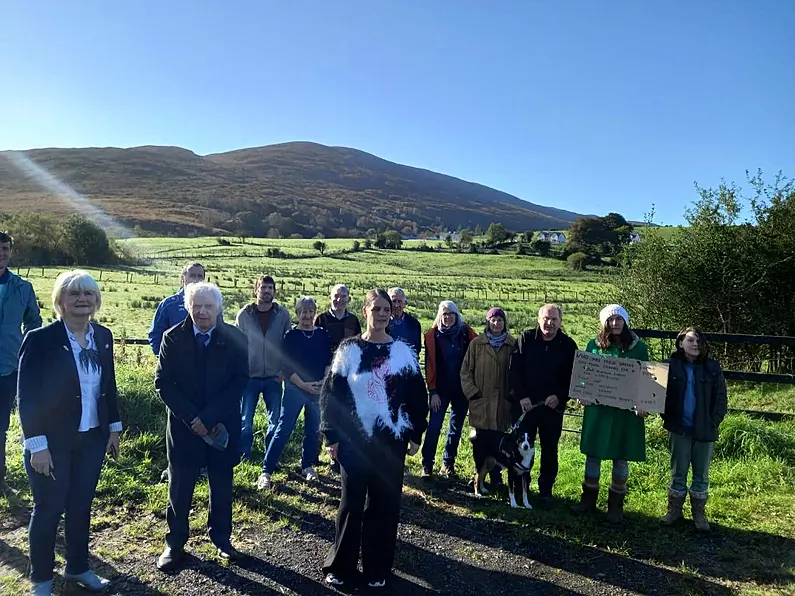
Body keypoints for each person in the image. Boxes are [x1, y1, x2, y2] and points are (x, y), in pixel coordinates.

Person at [17, 270, 121, 595]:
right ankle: (42, 581)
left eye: (88, 294)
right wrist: (37, 445)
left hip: (91, 439)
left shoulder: (102, 336)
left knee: (81, 506)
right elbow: (28, 396)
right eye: (74, 294)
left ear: (96, 300)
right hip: (51, 442)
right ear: (60, 301)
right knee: (48, 510)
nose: (82, 300)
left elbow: (109, 387)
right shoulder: (41, 339)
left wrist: (114, 429)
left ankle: (78, 568)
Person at [320, 289, 428, 589]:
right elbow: (331, 395)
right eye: (375, 309)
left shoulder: (402, 352)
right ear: (365, 311)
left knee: (384, 506)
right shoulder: (349, 349)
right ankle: (340, 566)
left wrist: (416, 431)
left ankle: (377, 568)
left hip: (390, 444)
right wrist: (330, 435)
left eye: (386, 310)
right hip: (353, 443)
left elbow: (418, 398)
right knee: (351, 505)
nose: (381, 314)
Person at [154, 282, 249, 572]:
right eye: (197, 305)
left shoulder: (235, 337)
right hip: (184, 428)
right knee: (180, 486)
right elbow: (163, 383)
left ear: (219, 308)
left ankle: (221, 539)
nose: (203, 312)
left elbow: (240, 382)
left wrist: (207, 419)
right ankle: (175, 543)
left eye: (208, 306)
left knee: (221, 484)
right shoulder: (172, 338)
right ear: (188, 307)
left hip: (221, 425)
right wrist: (192, 418)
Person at [574, 304, 649, 524]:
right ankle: (588, 500)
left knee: (621, 456)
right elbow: (583, 373)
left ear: (625, 321)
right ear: (604, 322)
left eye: (619, 319)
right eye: (610, 320)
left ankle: (615, 506)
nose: (615, 323)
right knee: (593, 455)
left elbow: (647, 378)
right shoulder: (593, 345)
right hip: (599, 410)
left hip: (625, 412)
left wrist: (645, 403)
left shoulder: (638, 348)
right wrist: (582, 392)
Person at [258, 296, 331, 489]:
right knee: (283, 430)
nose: (307, 315)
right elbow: (286, 366)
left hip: (317, 389)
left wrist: (323, 382)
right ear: (297, 313)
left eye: (310, 311)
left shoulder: (323, 335)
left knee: (312, 430)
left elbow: (327, 361)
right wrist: (303, 385)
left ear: (315, 313)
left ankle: (307, 466)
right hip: (295, 389)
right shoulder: (291, 337)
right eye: (303, 311)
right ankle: (266, 471)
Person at [659, 328, 727, 531]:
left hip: (704, 430)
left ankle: (699, 513)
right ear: (680, 343)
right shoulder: (670, 366)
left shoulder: (712, 367)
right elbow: (657, 393)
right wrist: (667, 418)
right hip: (679, 428)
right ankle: (674, 511)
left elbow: (721, 398)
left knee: (701, 475)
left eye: (698, 340)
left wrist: (713, 422)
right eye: (690, 340)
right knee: (678, 473)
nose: (695, 344)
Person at [509, 304, 577, 505]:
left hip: (552, 408)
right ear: (539, 319)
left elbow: (575, 378)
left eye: (554, 319)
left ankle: (546, 491)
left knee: (549, 449)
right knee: (522, 449)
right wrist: (522, 397)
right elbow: (514, 370)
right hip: (525, 406)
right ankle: (523, 488)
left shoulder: (568, 345)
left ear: (560, 322)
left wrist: (561, 396)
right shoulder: (526, 339)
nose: (550, 323)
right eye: (546, 318)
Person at [235, 275, 291, 480]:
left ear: (274, 291)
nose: (266, 291)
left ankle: (271, 457)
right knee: (245, 420)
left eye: (270, 288)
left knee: (275, 421)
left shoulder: (282, 314)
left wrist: (284, 372)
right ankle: (244, 455)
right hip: (249, 376)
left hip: (274, 378)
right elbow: (237, 345)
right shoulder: (244, 314)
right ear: (256, 290)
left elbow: (289, 345)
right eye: (263, 287)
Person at [0, 230, 42, 498]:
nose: (1, 254)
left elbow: (34, 322)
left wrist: (27, 351)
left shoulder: (23, 287)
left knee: (1, 425)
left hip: (8, 367)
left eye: (5, 250)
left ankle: (0, 477)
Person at [460, 307, 516, 487]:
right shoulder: (477, 344)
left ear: (504, 323)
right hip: (481, 401)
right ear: (488, 322)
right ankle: (479, 475)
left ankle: (496, 477)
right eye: (493, 320)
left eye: (500, 320)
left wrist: (513, 394)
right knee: (480, 442)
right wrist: (473, 393)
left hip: (502, 403)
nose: (497, 323)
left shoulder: (512, 344)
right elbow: (466, 371)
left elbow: (518, 372)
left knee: (499, 441)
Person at [420, 301, 477, 479]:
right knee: (434, 426)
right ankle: (427, 465)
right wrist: (433, 391)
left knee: (456, 428)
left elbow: (479, 349)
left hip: (461, 390)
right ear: (439, 315)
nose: (448, 317)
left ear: (457, 314)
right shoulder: (432, 335)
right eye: (444, 314)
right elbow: (429, 366)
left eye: (451, 313)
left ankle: (448, 463)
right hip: (440, 389)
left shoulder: (466, 332)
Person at [148, 261, 205, 356]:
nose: (196, 279)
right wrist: (163, 359)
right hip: (175, 363)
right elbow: (155, 335)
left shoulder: (212, 305)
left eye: (199, 276)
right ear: (183, 277)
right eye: (192, 275)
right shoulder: (169, 305)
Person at [314, 283, 362, 353]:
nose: (339, 299)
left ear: (349, 299)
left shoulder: (353, 320)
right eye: (336, 296)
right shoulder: (321, 319)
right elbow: (315, 344)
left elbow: (358, 345)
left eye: (343, 296)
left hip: (348, 362)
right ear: (330, 298)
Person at [386, 287, 422, 356]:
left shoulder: (414, 324)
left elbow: (417, 348)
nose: (396, 305)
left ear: (404, 303)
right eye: (394, 301)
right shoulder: (383, 322)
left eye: (399, 301)